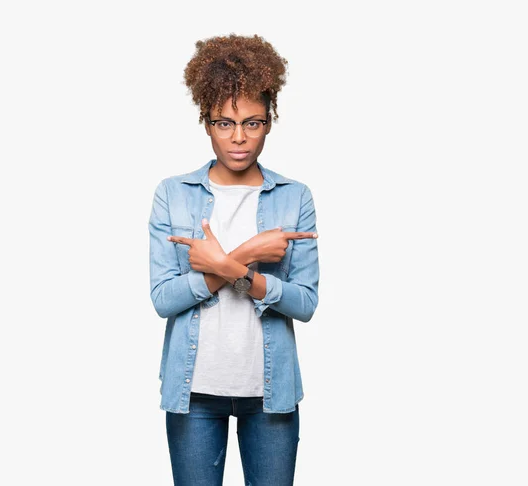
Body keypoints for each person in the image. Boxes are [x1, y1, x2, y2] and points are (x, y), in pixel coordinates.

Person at [148, 33, 320, 486]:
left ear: (270, 121)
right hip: (194, 392)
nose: (239, 138)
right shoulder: (173, 195)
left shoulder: (294, 197)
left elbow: (305, 304)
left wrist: (225, 266)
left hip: (270, 394)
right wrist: (247, 258)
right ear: (206, 122)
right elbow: (163, 299)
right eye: (224, 123)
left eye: (253, 122)